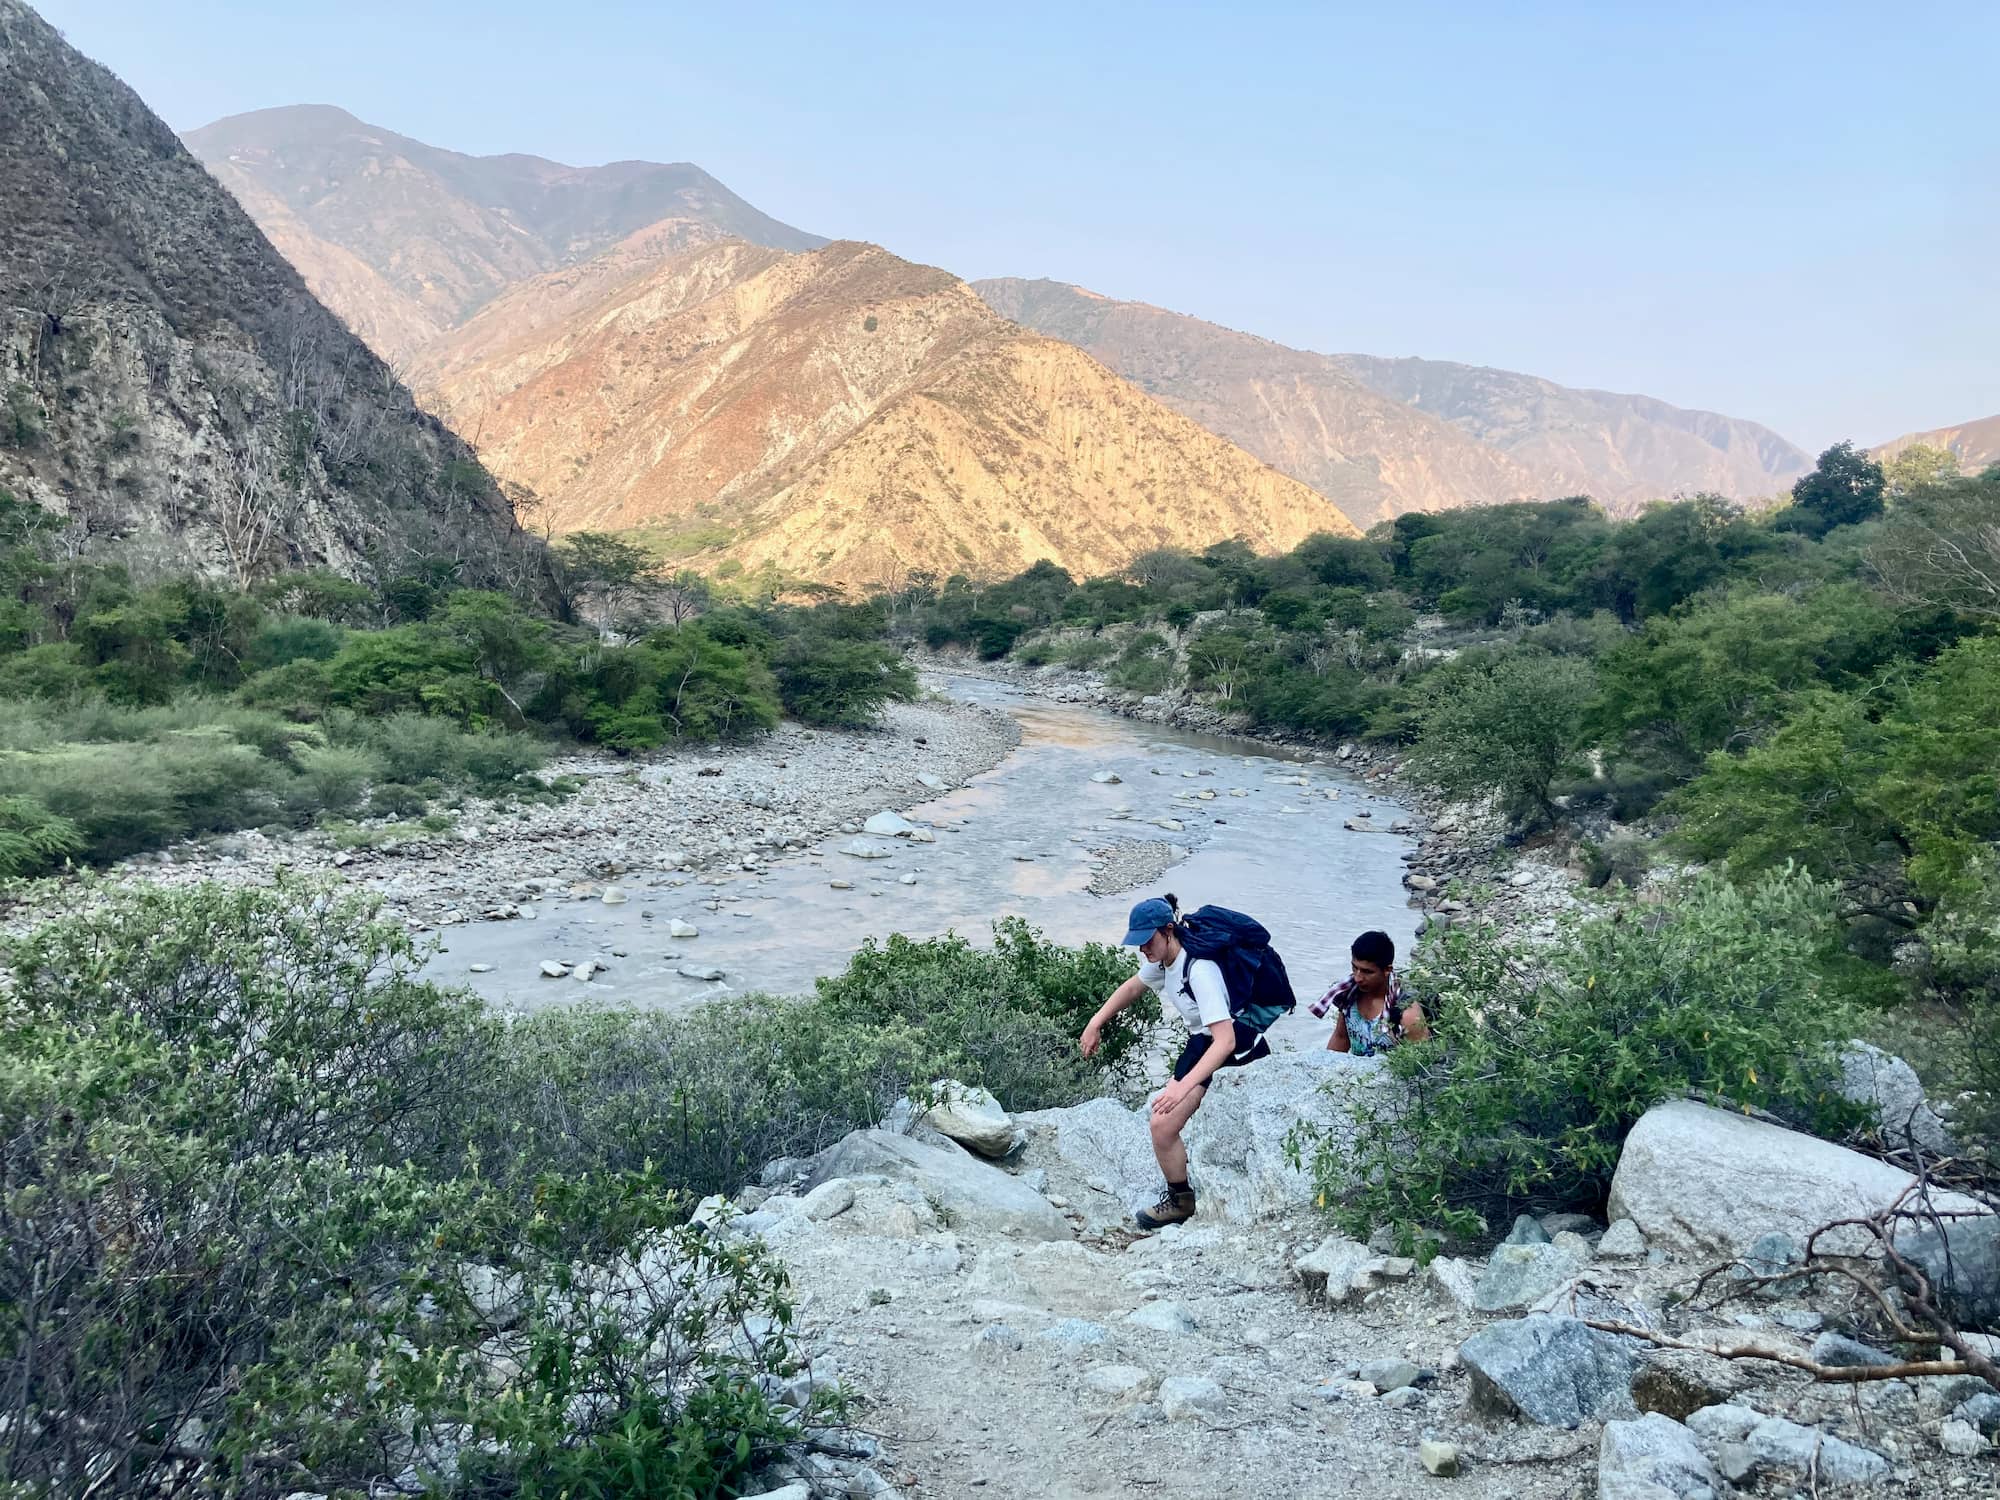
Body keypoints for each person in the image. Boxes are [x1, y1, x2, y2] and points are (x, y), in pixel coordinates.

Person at [1079, 894, 1273, 1229]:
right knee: (1161, 1123)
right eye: (1138, 943)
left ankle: (1181, 1201)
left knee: (1163, 1122)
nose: (1143, 949)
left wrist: (1183, 1087)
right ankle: (1181, 1198)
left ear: (1168, 930)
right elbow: (1132, 987)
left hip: (1239, 1048)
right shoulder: (1165, 962)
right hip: (1202, 1042)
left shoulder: (1200, 971)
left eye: (1147, 941)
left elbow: (1225, 1041)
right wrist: (1096, 1022)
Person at [1310, 930, 1429, 1055]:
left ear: (1387, 970)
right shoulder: (1349, 994)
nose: (1358, 978)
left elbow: (1419, 1062)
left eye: (1367, 972)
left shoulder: (1407, 1013)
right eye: (1355, 968)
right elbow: (1341, 1038)